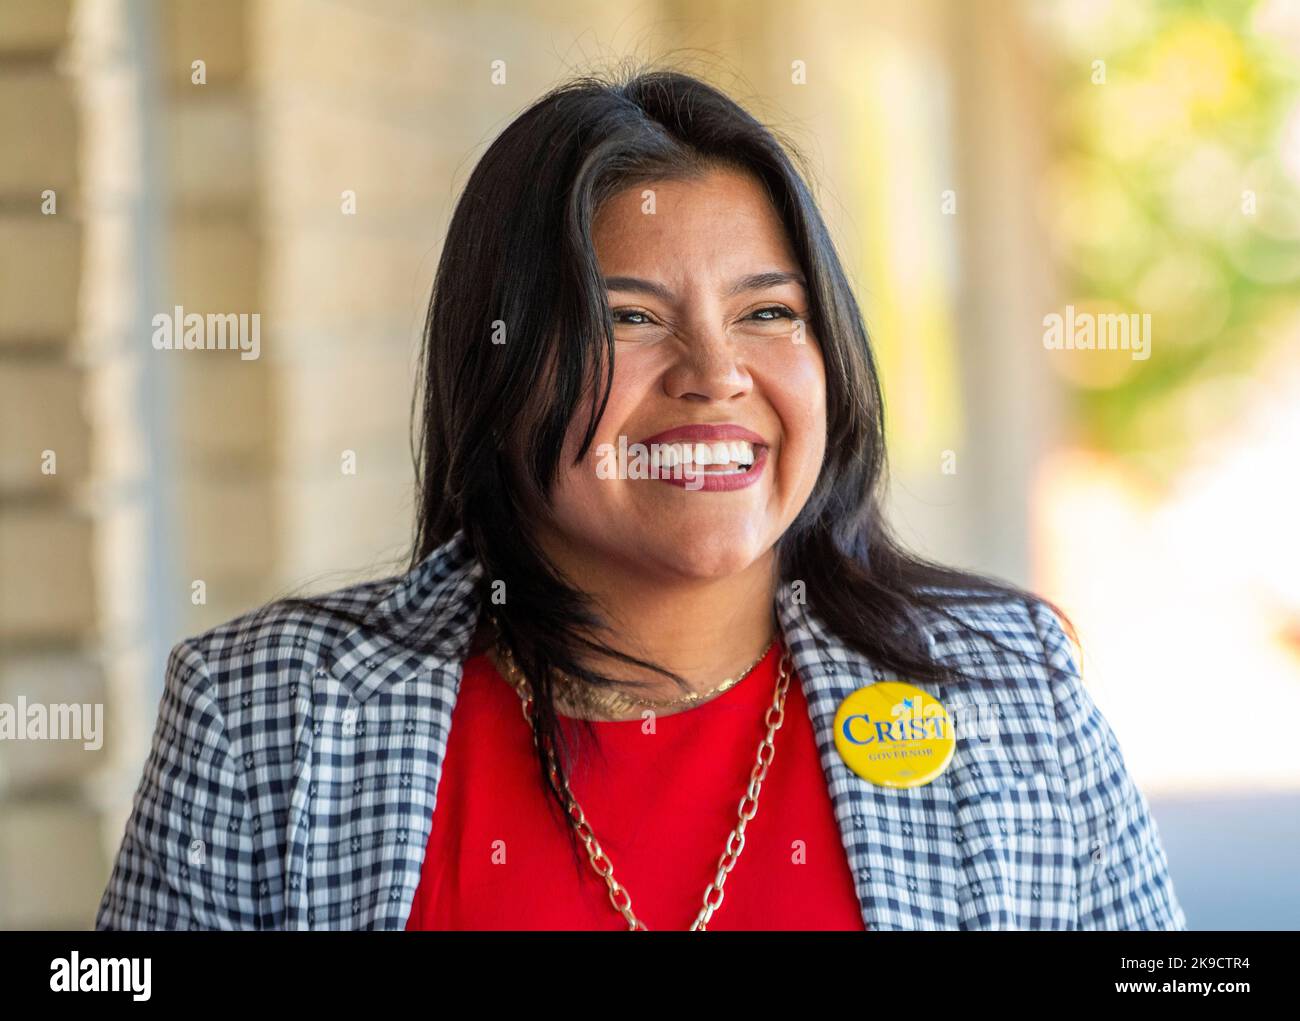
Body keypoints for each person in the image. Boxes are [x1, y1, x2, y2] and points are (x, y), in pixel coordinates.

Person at [95, 68, 1187, 931]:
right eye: (627, 317)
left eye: (768, 313)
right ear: (501, 366)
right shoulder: (266, 719)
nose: (714, 373)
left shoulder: (1007, 695)